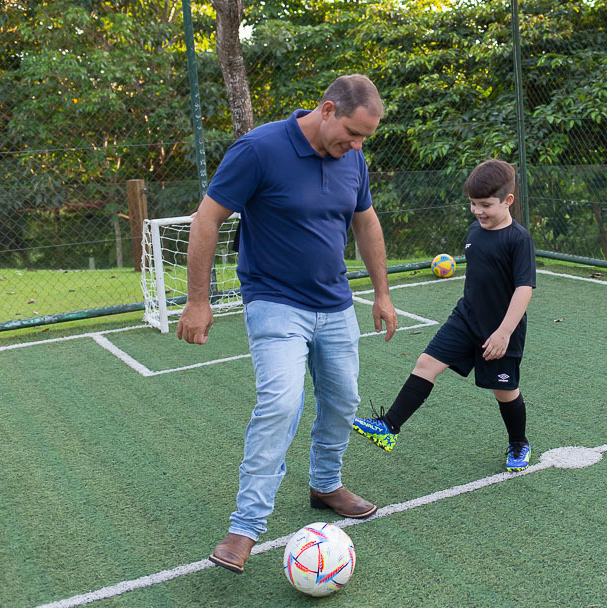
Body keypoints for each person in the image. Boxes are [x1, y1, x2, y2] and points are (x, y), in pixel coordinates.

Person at [176, 74, 398, 574]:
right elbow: (207, 219)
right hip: (275, 301)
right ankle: (246, 526)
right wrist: (197, 301)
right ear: (325, 109)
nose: (357, 146)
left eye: (364, 138)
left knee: (343, 399)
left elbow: (366, 222)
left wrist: (381, 293)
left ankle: (326, 484)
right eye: (351, 133)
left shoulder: (353, 160)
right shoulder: (258, 150)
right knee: (281, 402)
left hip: (335, 303)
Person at [351, 159, 537, 471]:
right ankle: (389, 427)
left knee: (504, 391)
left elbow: (524, 288)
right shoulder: (474, 231)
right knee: (425, 364)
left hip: (501, 329)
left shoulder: (518, 239)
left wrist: (504, 332)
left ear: (508, 201)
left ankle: (519, 443)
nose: (478, 211)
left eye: (486, 205)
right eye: (472, 204)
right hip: (465, 319)